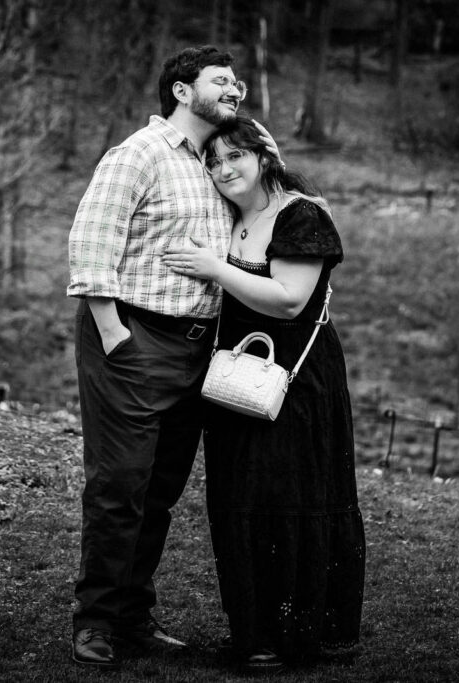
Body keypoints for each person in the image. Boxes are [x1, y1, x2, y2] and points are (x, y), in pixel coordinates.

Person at [66, 45, 276, 670]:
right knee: (120, 485)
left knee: (159, 490)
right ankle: (95, 620)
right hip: (133, 336)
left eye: (238, 82)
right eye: (222, 81)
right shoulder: (140, 153)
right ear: (183, 91)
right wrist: (113, 333)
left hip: (196, 348)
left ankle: (133, 616)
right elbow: (93, 237)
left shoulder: (218, 161)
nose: (235, 89)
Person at [161, 117, 366, 670]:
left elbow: (289, 300)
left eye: (235, 157)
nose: (224, 169)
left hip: (296, 384)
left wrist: (215, 267)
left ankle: (294, 636)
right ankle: (252, 631)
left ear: (264, 156)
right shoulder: (231, 215)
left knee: (289, 499)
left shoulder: (301, 214)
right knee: (240, 500)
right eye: (214, 161)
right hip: (234, 375)